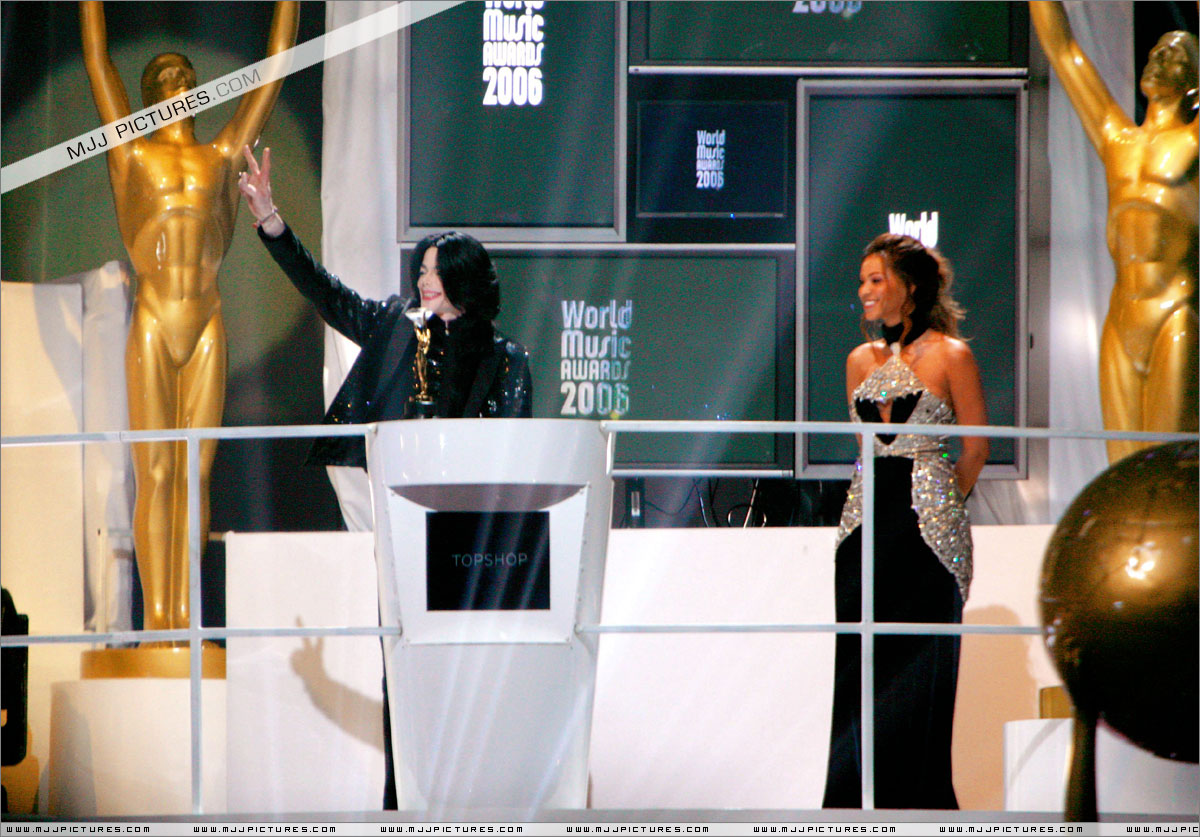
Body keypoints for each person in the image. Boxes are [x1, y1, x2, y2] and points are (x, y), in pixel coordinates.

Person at [237, 144, 532, 808]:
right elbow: (328, 294)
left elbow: (514, 460)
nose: (424, 282)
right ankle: (402, 804)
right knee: (402, 675)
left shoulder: (509, 361)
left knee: (468, 680)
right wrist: (271, 220)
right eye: (421, 270)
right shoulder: (397, 329)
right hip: (405, 536)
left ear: (463, 280)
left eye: (435, 273)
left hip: (476, 544)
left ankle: (471, 802)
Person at [80, 1, 298, 636]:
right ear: (148, 98)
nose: (179, 83)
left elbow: (276, 66)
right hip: (153, 320)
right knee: (155, 471)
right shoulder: (131, 155)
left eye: (186, 75)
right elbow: (98, 61)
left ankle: (186, 623)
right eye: (165, 78)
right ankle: (159, 620)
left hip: (206, 322)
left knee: (195, 473)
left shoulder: (221, 155)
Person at [822, 233, 987, 810]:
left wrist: (943, 504)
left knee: (921, 670)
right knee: (859, 667)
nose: (864, 291)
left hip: (930, 536)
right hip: (864, 527)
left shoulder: (952, 355)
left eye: (876, 280)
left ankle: (922, 808)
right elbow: (863, 449)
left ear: (909, 287)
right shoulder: (857, 361)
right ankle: (850, 808)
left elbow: (976, 449)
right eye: (862, 281)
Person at [1030, 1, 1198, 463]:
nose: (1159, 58)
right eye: (1156, 52)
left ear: (1193, 85)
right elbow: (1063, 50)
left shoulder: (1193, 142)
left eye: (1175, 55)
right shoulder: (1116, 138)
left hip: (1175, 312)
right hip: (1122, 319)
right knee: (1121, 472)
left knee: (1164, 468)